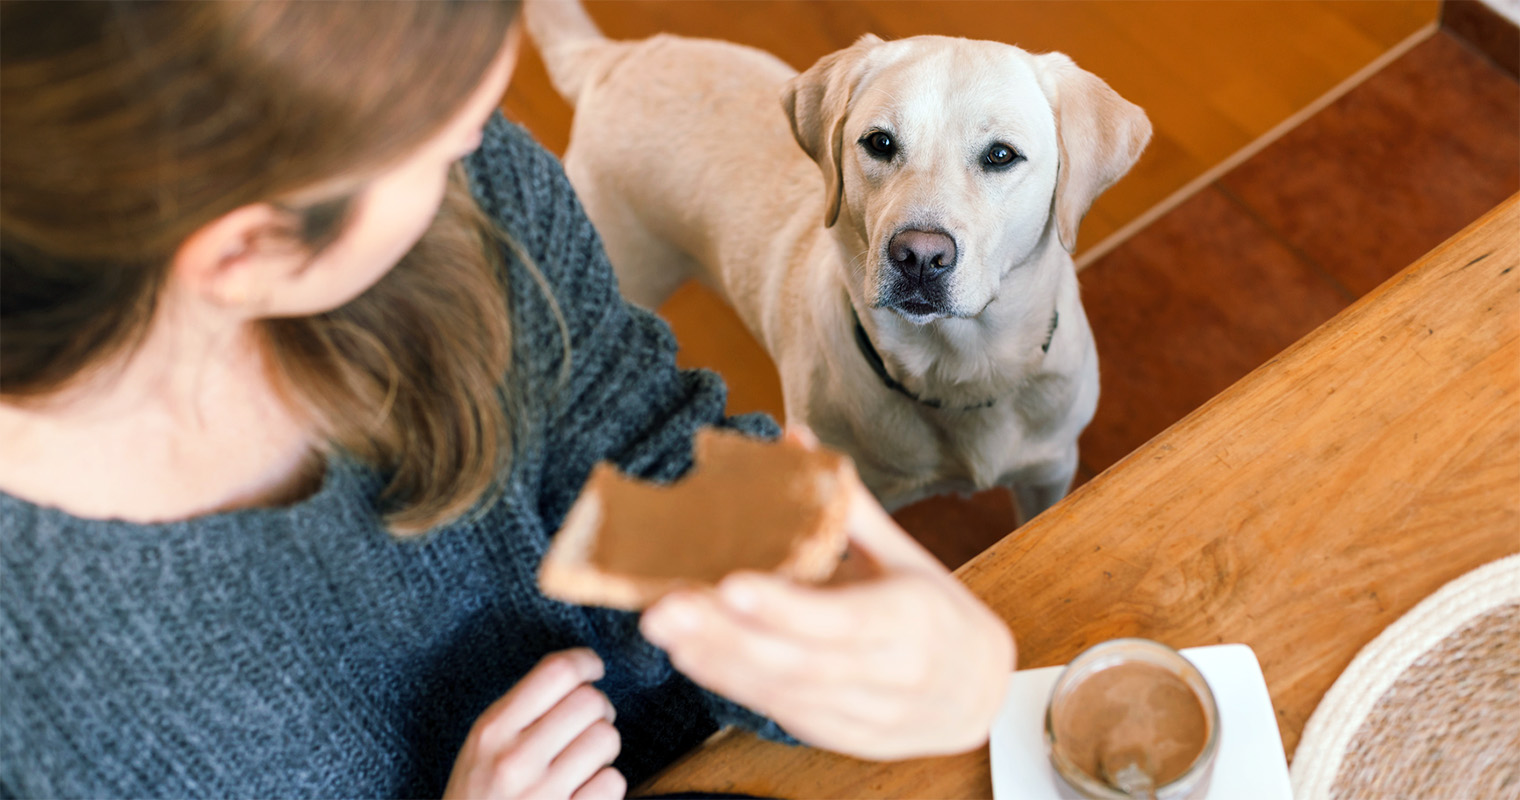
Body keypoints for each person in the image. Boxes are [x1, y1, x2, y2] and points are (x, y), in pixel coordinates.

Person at [0, 2, 1015, 797]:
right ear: (241, 252)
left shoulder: (478, 197)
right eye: (440, 146)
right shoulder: (34, 680)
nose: (487, 147)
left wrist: (858, 623)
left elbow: (638, 454)